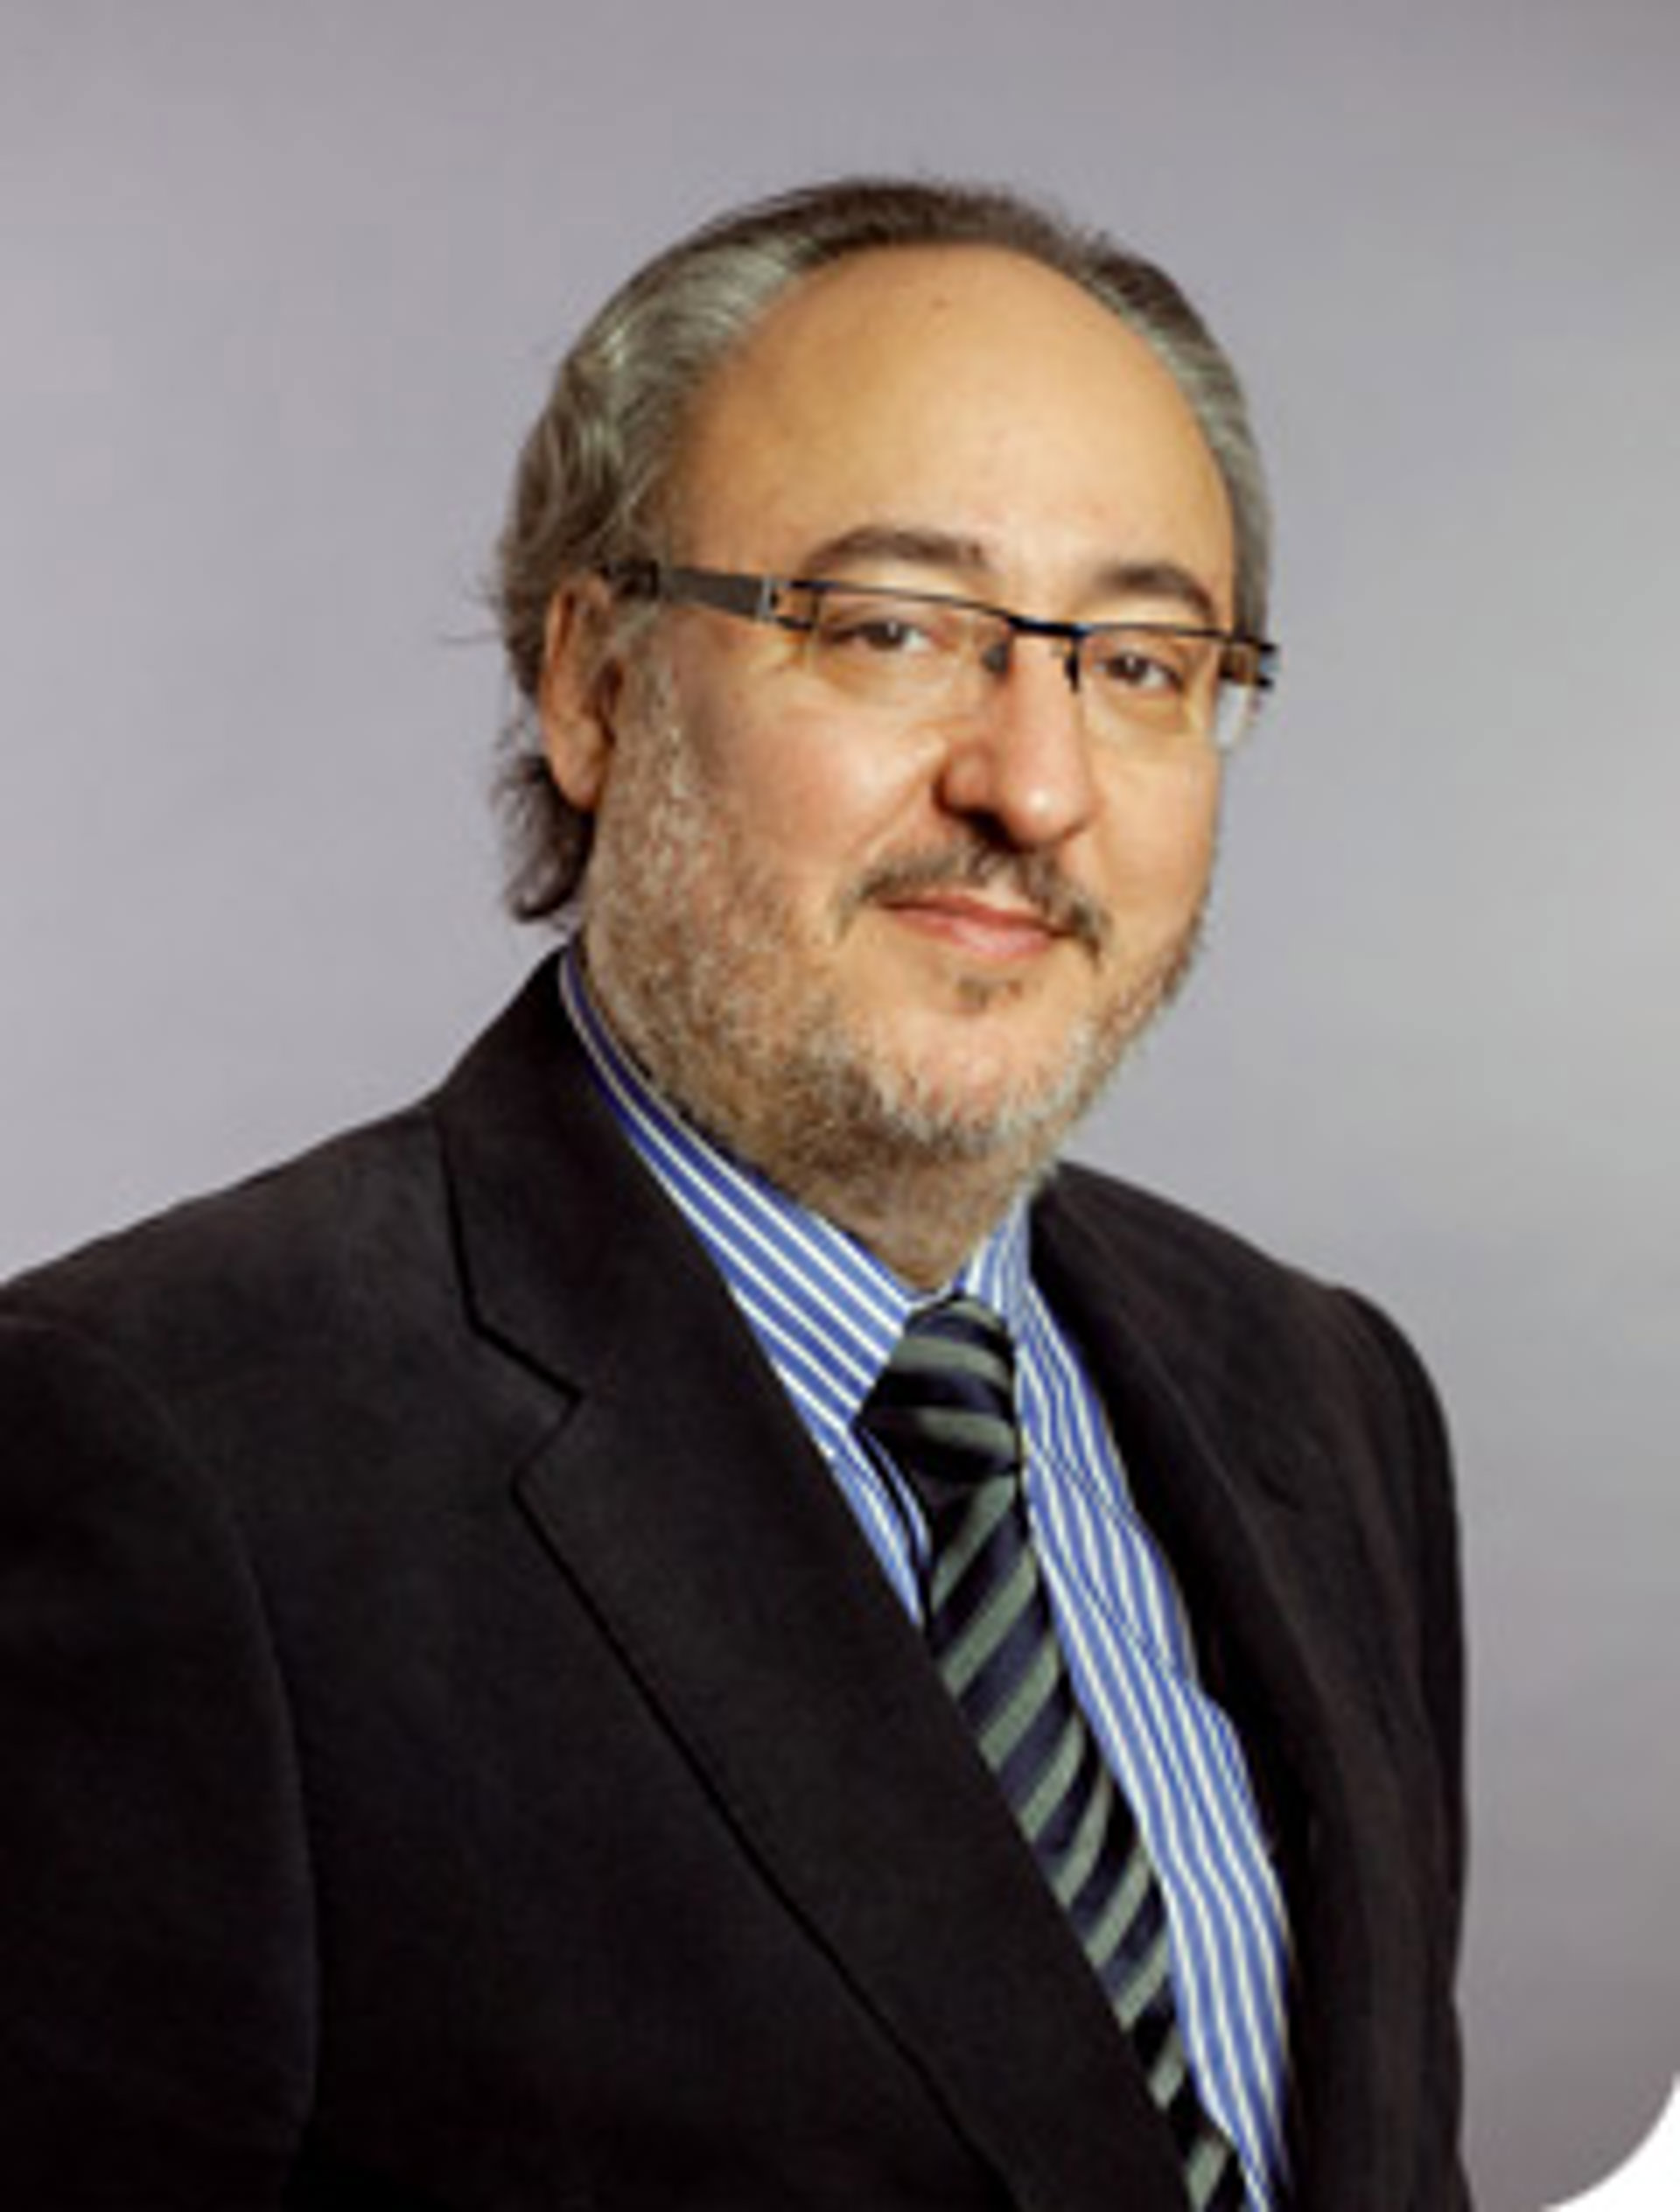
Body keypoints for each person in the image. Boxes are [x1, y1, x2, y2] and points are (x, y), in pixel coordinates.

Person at [0, 178, 1470, 2210]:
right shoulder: (157, 1453)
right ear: (595, 686)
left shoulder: (1327, 1398)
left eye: (1142, 664)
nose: (1035, 785)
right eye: (893, 629)